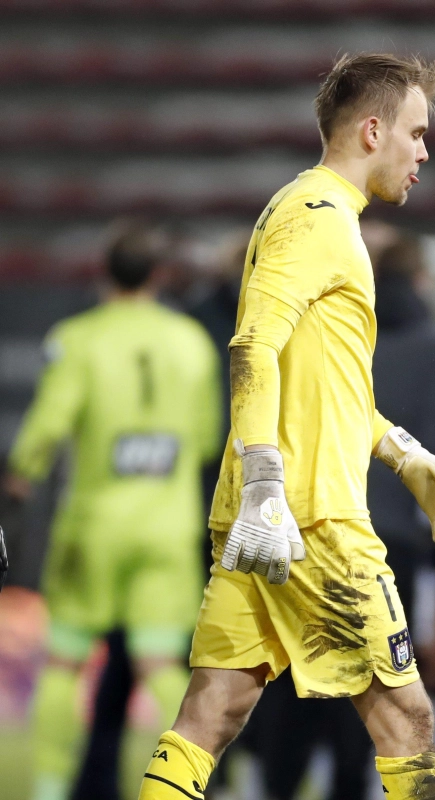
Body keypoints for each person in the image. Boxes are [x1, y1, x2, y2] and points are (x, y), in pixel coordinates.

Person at [131, 53, 435, 800]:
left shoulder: (311, 212)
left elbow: (320, 379)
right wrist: (265, 483)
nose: (423, 152)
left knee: (210, 715)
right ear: (373, 129)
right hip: (311, 519)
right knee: (408, 724)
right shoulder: (319, 220)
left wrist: (400, 450)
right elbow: (253, 344)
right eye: (415, 133)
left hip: (275, 513)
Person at [1, 226, 223, 800]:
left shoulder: (79, 339)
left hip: (93, 526)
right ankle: (182, 786)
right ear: (158, 276)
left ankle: (50, 790)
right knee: (160, 661)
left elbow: (47, 426)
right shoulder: (192, 342)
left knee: (64, 660)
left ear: (105, 273)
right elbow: (204, 438)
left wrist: (20, 475)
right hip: (167, 528)